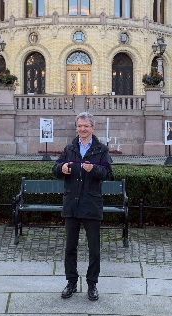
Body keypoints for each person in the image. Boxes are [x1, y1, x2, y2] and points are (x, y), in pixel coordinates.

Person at [53, 112, 113, 301]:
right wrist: (61, 169)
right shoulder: (70, 148)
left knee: (94, 248)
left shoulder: (101, 149)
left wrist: (94, 169)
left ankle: (92, 284)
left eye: (86, 126)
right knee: (70, 247)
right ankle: (71, 282)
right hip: (72, 204)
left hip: (91, 204)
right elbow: (55, 169)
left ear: (92, 128)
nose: (82, 129)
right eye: (80, 126)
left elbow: (108, 173)